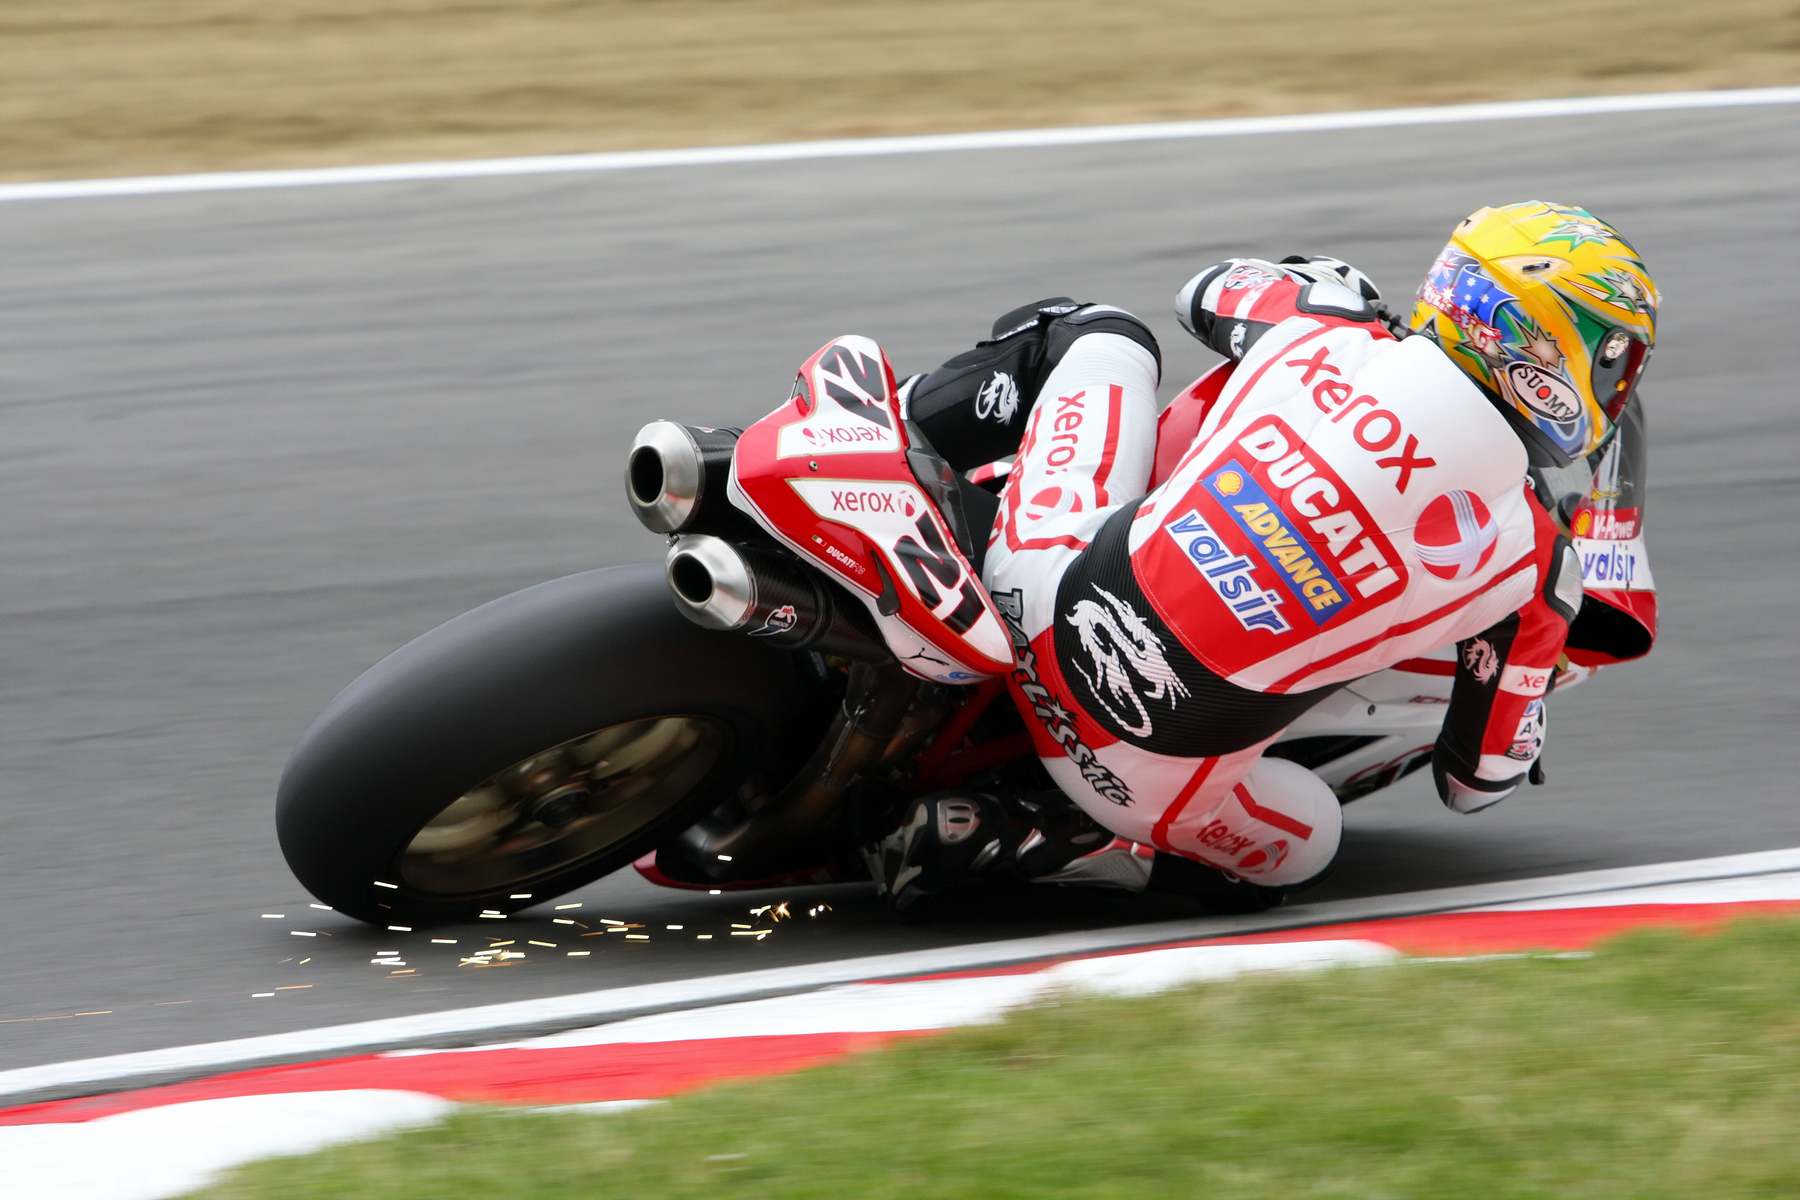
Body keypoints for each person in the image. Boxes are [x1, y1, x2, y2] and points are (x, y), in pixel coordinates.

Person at [865, 201, 1659, 914]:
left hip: (1032, 594)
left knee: (1099, 332)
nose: (1615, 385)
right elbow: (1474, 785)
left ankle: (885, 437)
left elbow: (1202, 293)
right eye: (1613, 357)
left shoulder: (1326, 328)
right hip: (1127, 778)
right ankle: (1025, 836)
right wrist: (1524, 720)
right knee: (1306, 844)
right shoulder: (1535, 563)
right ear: (1548, 342)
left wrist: (1324, 287)